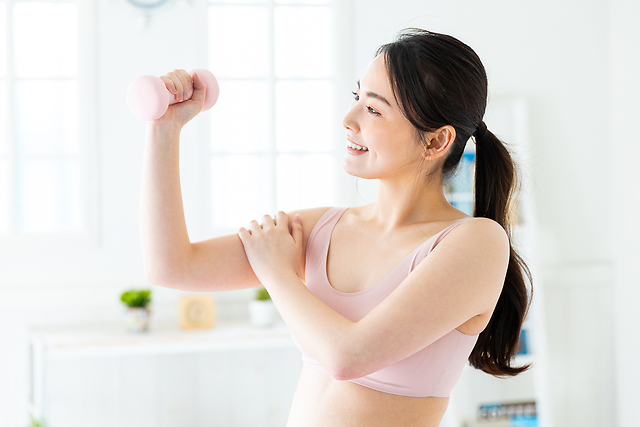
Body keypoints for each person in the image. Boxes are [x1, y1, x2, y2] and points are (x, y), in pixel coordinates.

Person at [140, 28, 533, 427]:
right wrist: (165, 130)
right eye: (356, 97)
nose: (348, 120)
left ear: (435, 142)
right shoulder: (322, 227)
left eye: (374, 110)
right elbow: (172, 267)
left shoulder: (475, 242)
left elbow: (348, 358)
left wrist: (276, 272)